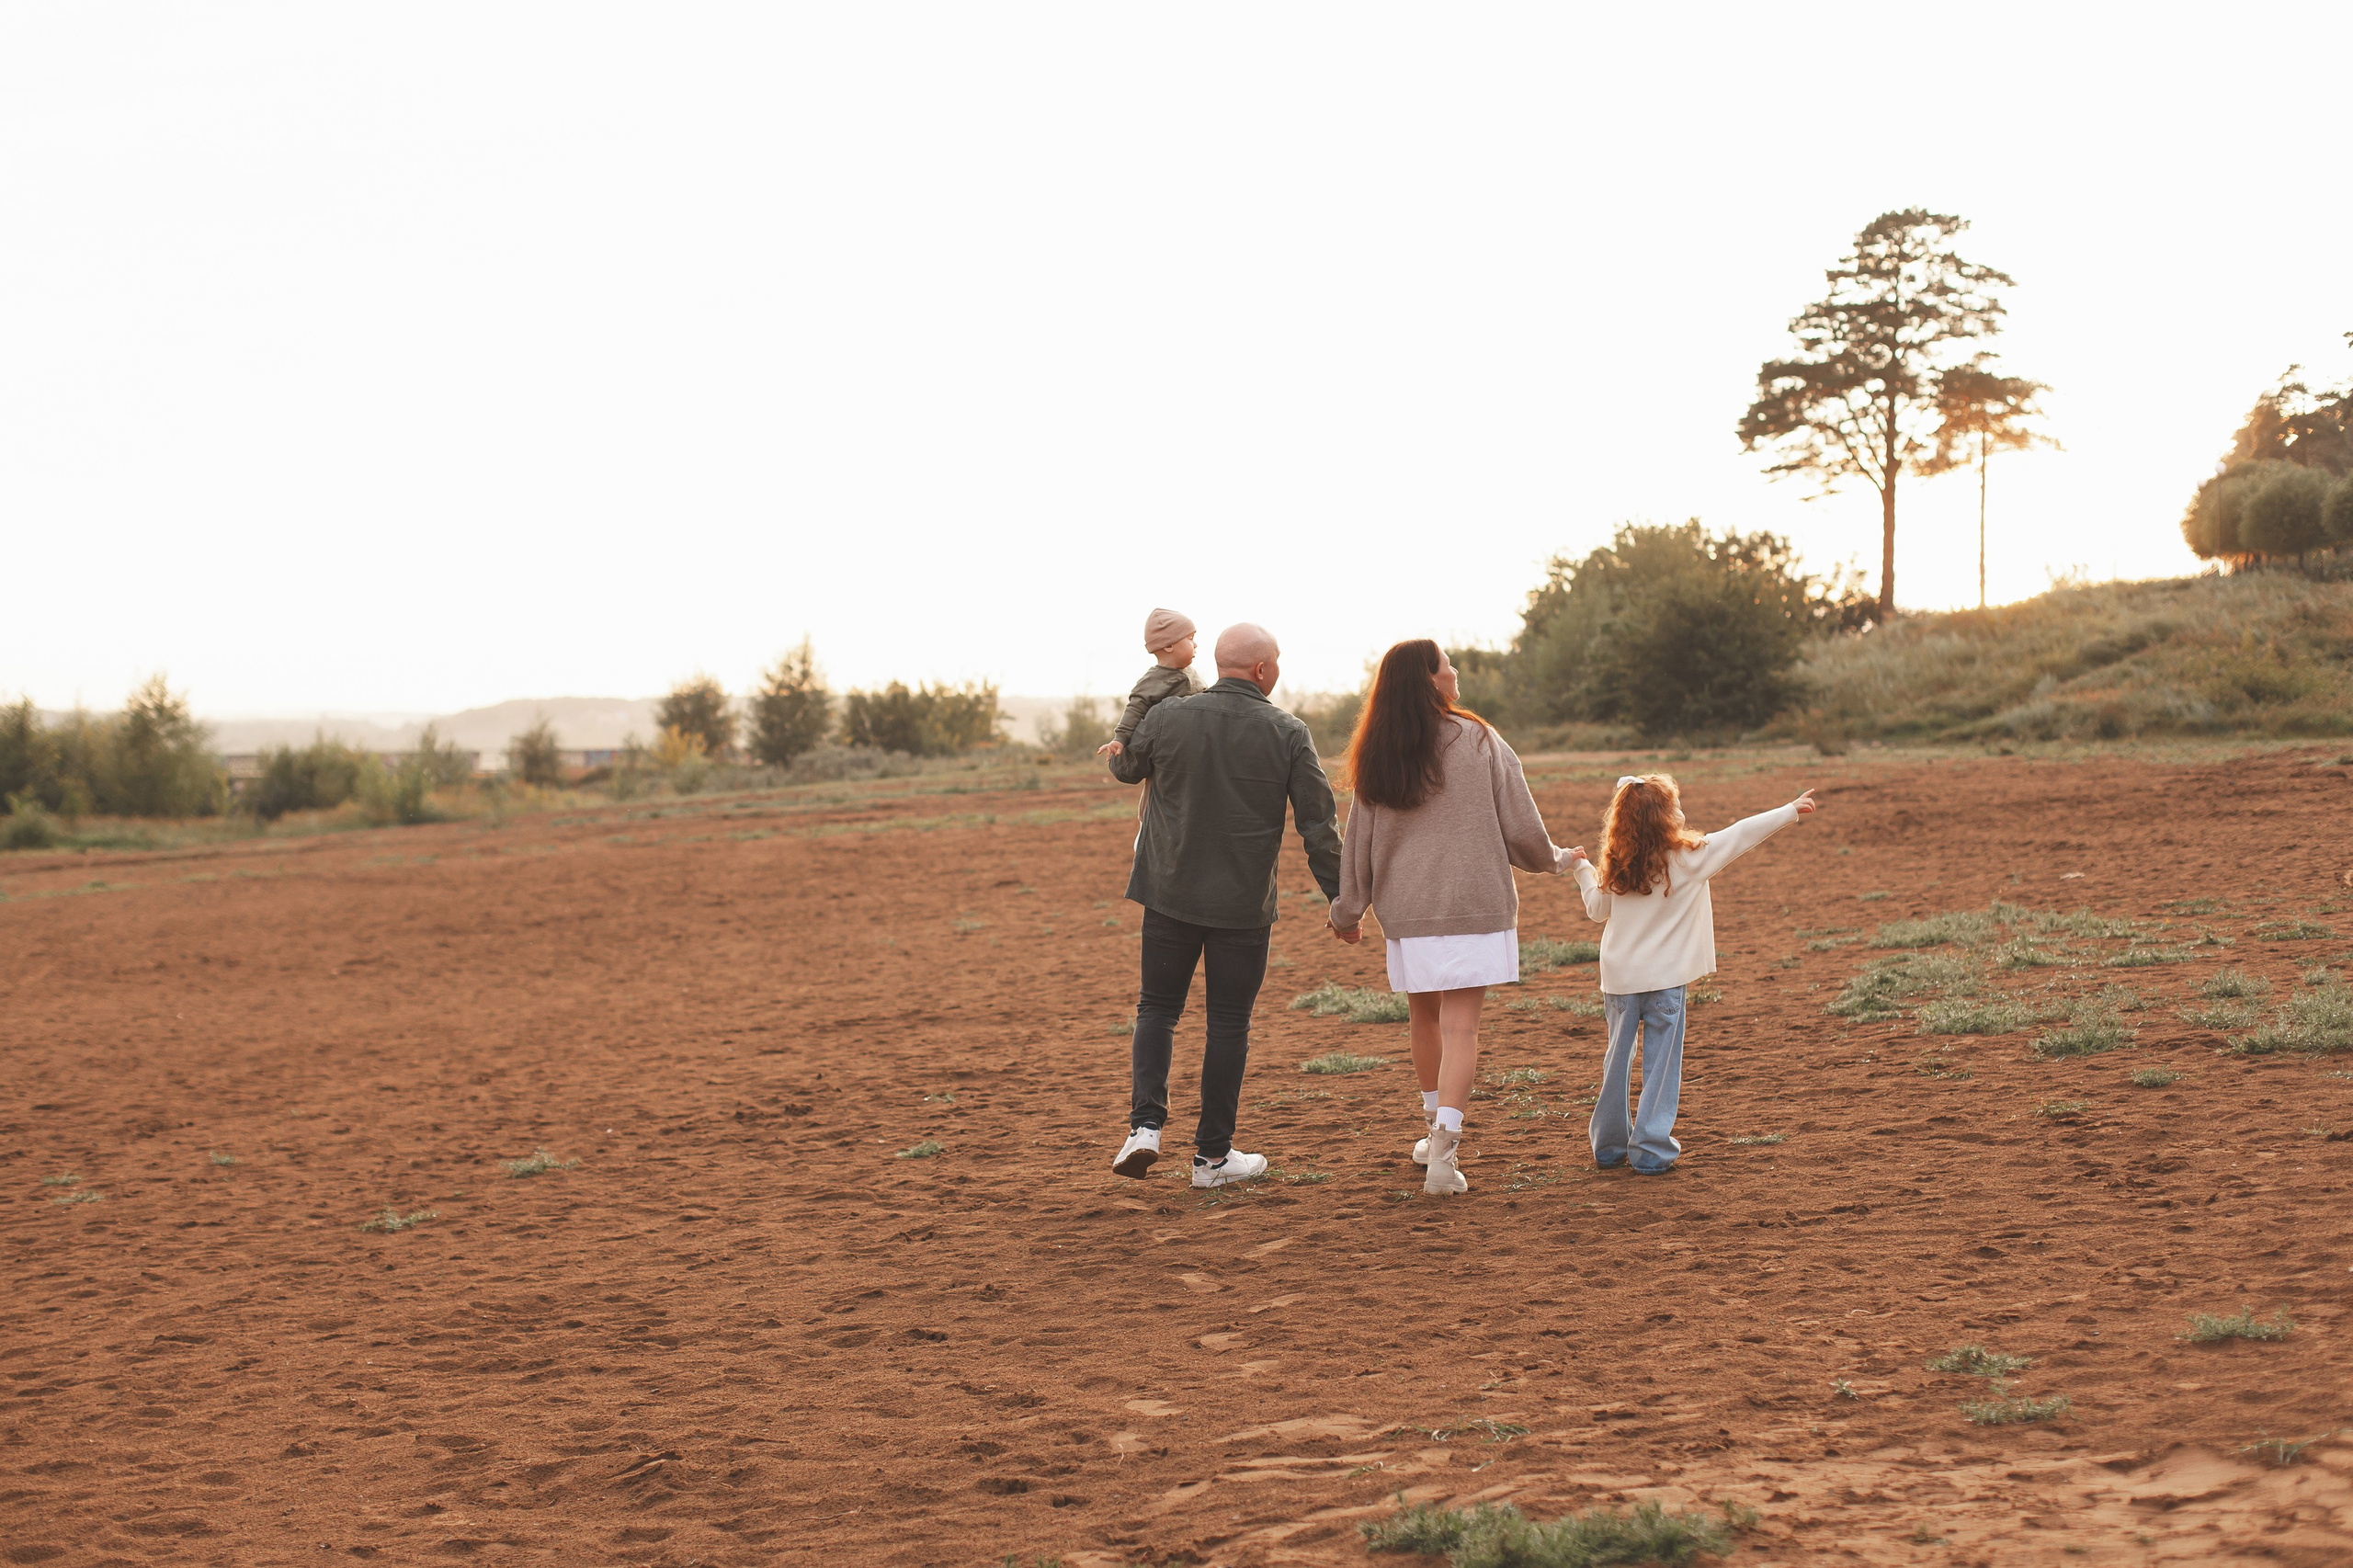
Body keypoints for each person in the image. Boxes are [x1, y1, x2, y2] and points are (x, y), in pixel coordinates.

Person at [1325, 640, 1574, 1196]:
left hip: (1408, 911)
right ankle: (1444, 1151)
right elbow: (1522, 827)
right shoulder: (1481, 739)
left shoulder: (1377, 752)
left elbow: (1357, 845)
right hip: (1476, 906)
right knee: (1462, 1028)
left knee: (1425, 1021)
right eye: (1446, 665)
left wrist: (1346, 911)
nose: (1454, 671)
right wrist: (1554, 860)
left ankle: (1432, 1131)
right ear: (1429, 680)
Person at [1107, 623, 1343, 1187]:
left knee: (1156, 1010)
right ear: (1261, 670)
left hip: (1168, 894)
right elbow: (1318, 823)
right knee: (1228, 1025)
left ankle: (1144, 1128)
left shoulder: (1168, 716)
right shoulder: (1288, 731)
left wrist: (1126, 728)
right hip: (1241, 906)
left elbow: (1125, 769)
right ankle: (1212, 1159)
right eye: (1278, 661)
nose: (1279, 669)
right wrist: (1341, 898)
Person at [1569, 774, 1816, 1175]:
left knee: (1616, 1061)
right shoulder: (1690, 857)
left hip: (1619, 980)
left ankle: (1609, 1147)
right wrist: (1788, 812)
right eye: (1675, 806)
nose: (1682, 812)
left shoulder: (1618, 862)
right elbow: (1740, 834)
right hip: (1666, 980)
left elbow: (1597, 910)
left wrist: (1581, 867)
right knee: (1662, 1065)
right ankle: (1649, 1151)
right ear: (1665, 818)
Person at [1097, 608, 1203, 760]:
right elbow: (1134, 709)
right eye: (1190, 638)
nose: (1196, 644)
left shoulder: (1192, 672)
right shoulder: (1152, 681)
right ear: (1168, 646)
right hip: (1168, 750)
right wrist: (1119, 739)